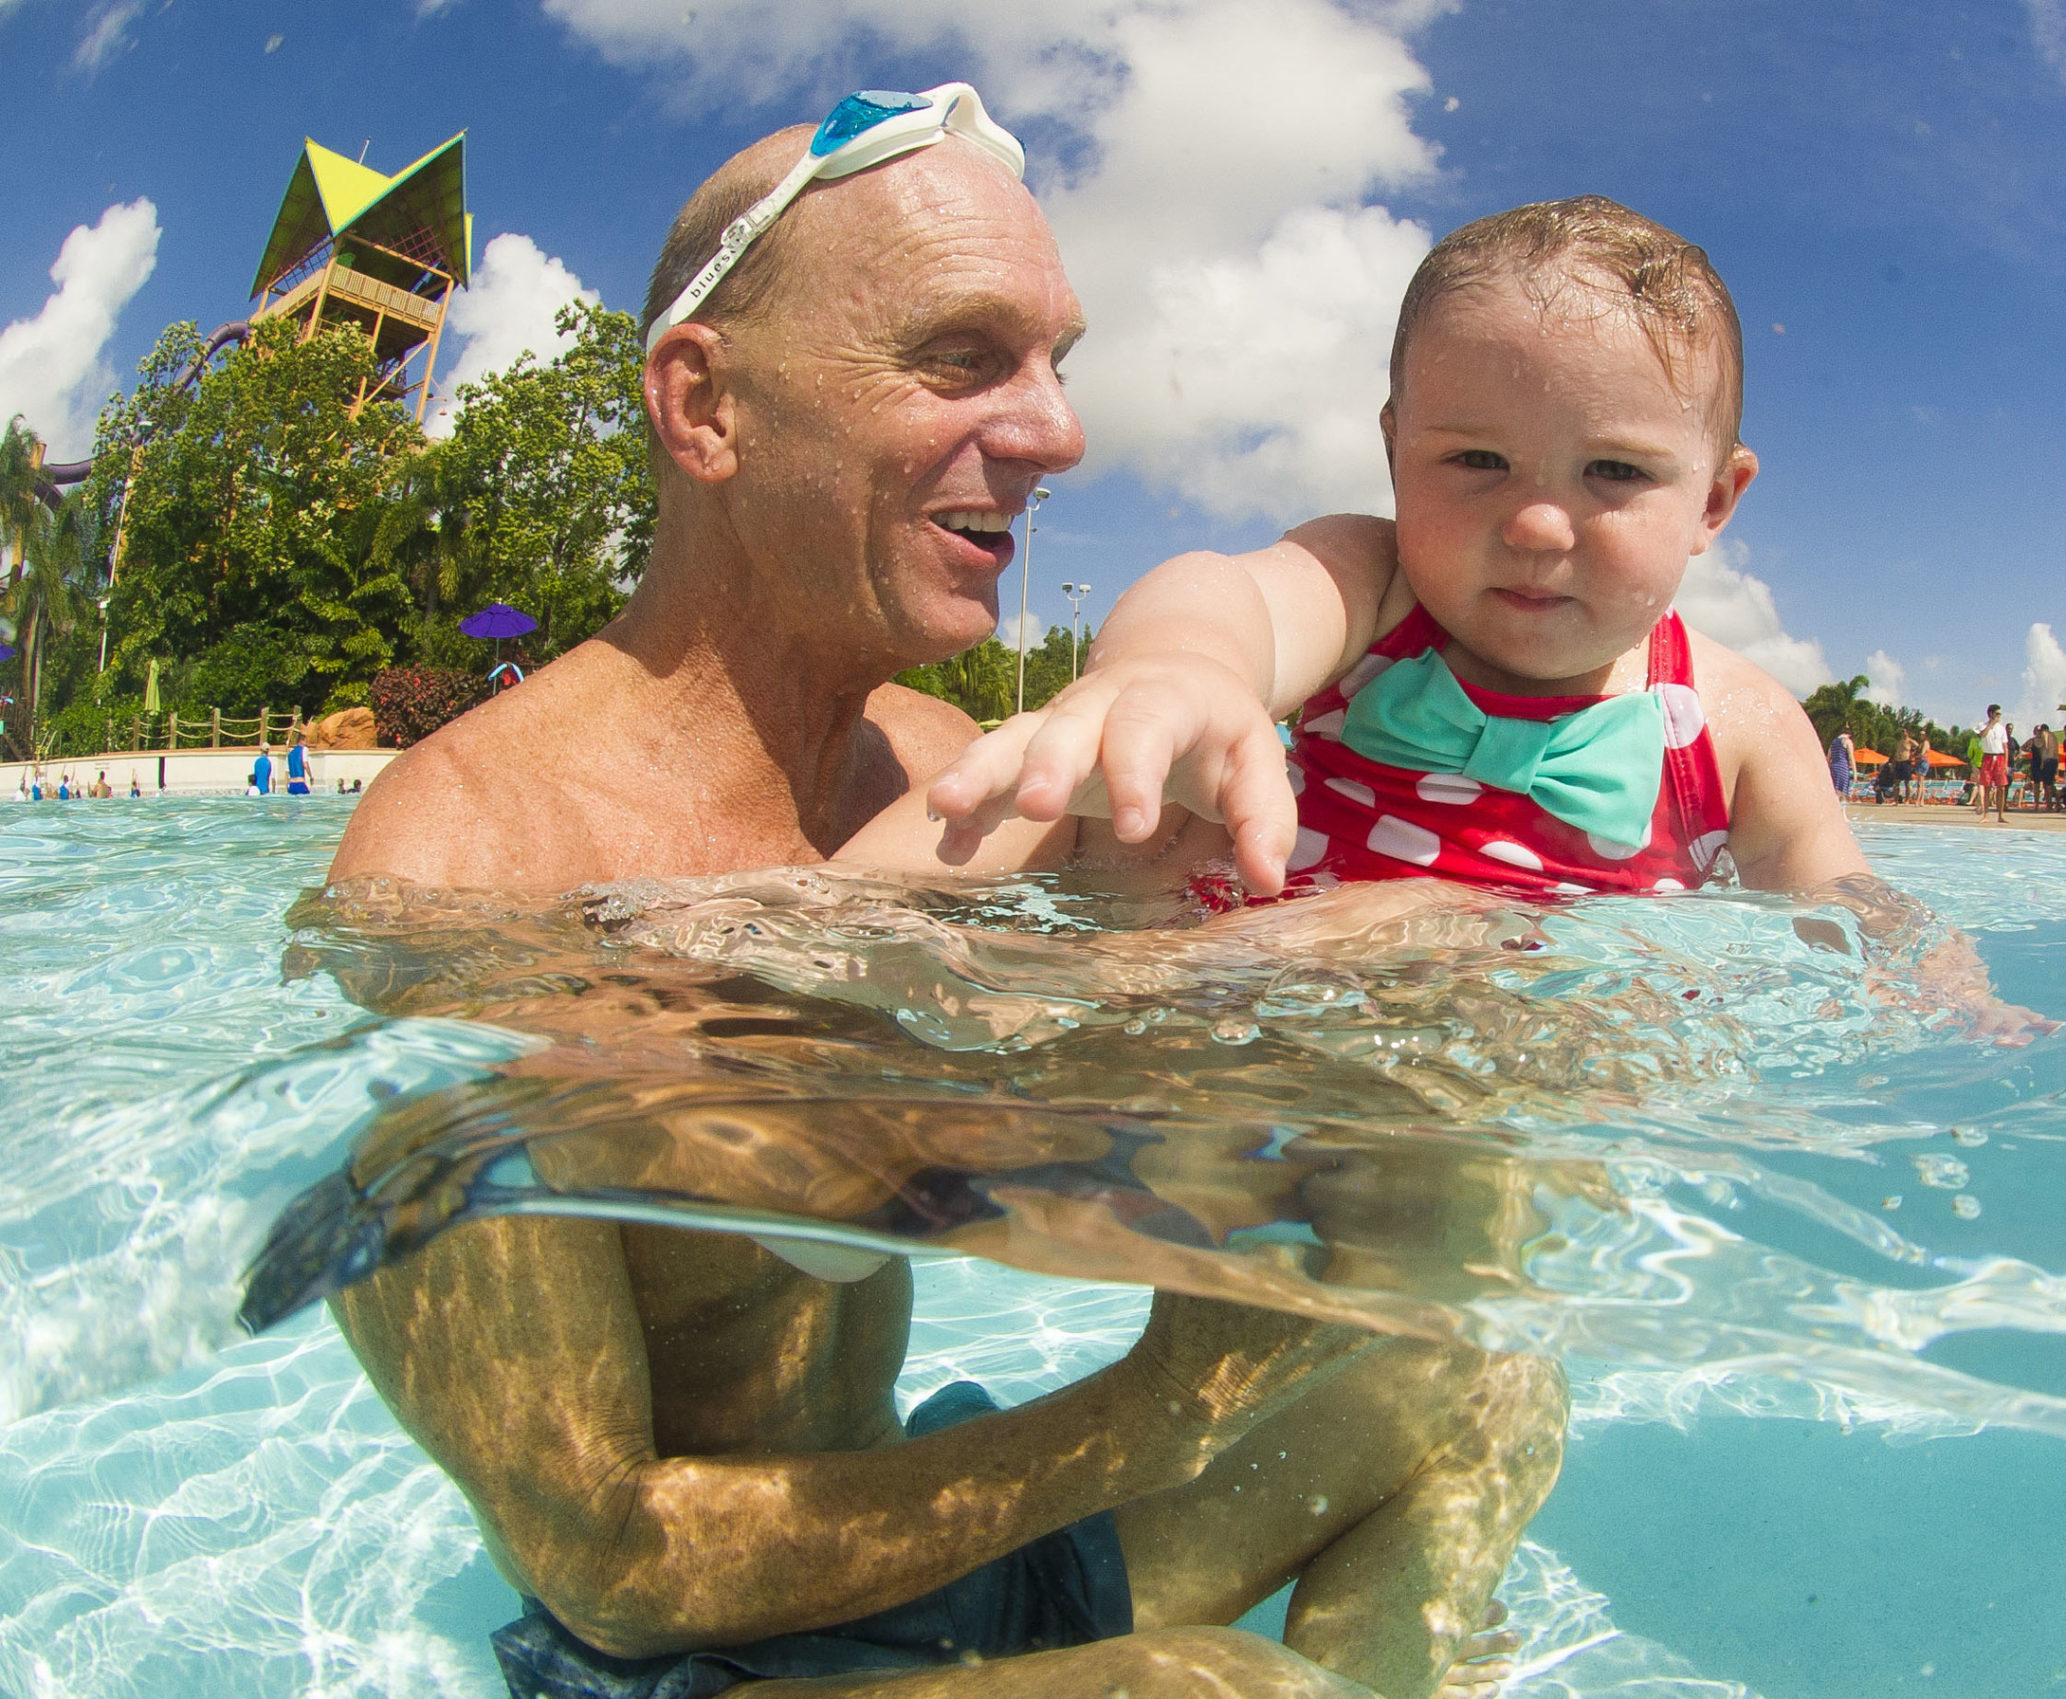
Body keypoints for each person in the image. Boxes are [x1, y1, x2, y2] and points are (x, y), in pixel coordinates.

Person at [326, 86, 1557, 1699]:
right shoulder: (461, 859)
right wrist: (1151, 1409)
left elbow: (1098, 1108)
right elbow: (607, 1558)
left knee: (1482, 1383)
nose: (1059, 433)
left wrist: (1354, 996)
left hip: (930, 1541)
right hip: (695, 1658)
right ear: (706, 405)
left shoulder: (941, 768)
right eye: (965, 356)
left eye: (1059, 362)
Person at [871, 197, 1870, 903]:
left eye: (1611, 473)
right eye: (1477, 458)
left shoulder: (1737, 724)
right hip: (1290, 1013)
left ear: (1714, 502)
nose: (1533, 524)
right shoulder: (1377, 589)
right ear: (1395, 452)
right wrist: (1178, 671)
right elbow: (1240, 599)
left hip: (1557, 1082)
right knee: (1052, 795)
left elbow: (1842, 911)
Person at [1974, 706, 2010, 822]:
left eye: (2000, 714)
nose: (1999, 716)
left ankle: (2001, 815)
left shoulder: (2001, 728)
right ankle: (1986, 815)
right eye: (1997, 714)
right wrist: (1991, 724)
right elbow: (1982, 735)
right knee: (1987, 786)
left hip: (1999, 757)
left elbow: (2005, 747)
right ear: (1991, 714)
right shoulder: (1982, 725)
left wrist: (2006, 763)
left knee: (2002, 787)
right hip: (1988, 757)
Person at [1828, 727, 1855, 803]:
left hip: (1833, 767)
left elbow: (1828, 757)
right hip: (1843, 767)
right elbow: (1851, 757)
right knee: (1842, 791)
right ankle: (1841, 810)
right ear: (1849, 735)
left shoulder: (1834, 742)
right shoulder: (1847, 741)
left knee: (1835, 789)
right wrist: (1855, 772)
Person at [284, 727, 312, 796]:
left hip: (291, 785)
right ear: (301, 740)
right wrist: (311, 776)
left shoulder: (289, 754)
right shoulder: (304, 749)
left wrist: (286, 788)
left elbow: (286, 772)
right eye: (306, 741)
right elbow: (305, 764)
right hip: (300, 783)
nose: (306, 743)